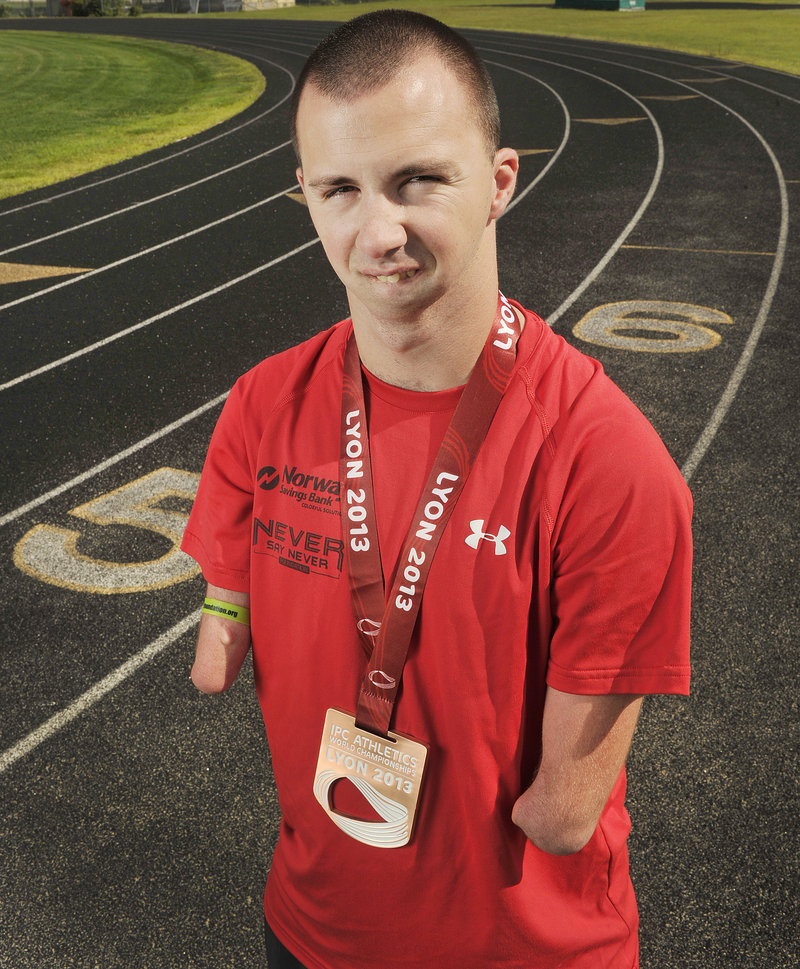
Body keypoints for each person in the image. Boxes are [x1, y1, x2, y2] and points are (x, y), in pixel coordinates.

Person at [181, 10, 692, 969]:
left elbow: (563, 817)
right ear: (305, 195)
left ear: (500, 182)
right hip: (307, 933)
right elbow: (220, 638)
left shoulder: (609, 462)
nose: (378, 233)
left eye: (417, 179)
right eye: (339, 189)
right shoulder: (260, 406)